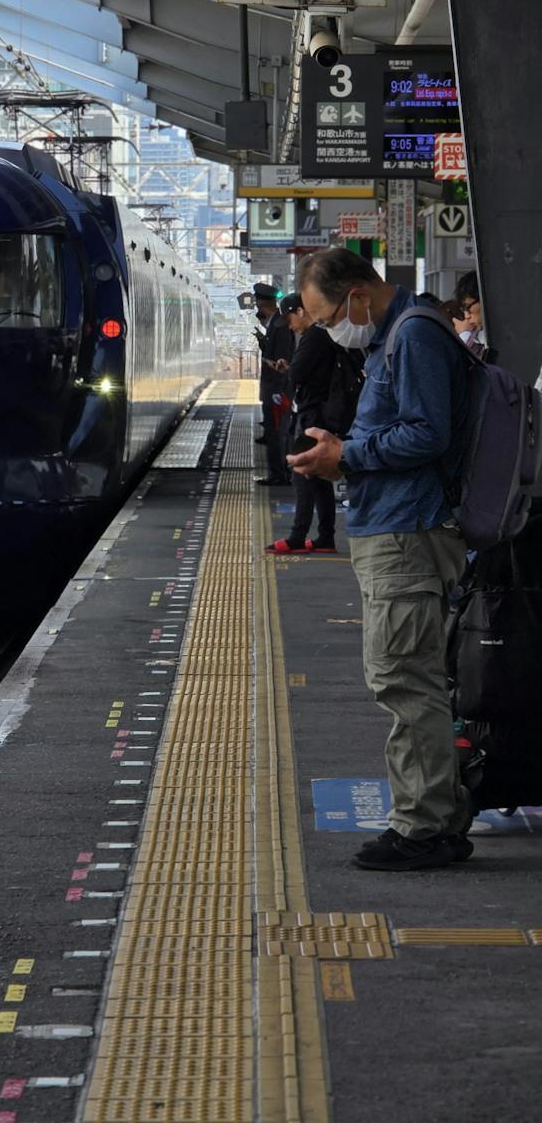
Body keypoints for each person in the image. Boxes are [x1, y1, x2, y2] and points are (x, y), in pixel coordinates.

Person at [290, 246, 472, 872]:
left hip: (407, 530)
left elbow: (427, 432)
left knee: (403, 677)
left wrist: (348, 455)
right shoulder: (395, 336)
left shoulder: (414, 336)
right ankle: (438, 814)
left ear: (359, 296)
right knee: (406, 675)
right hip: (394, 527)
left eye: (326, 316)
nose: (323, 329)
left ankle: (424, 828)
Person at [265, 293, 355, 555]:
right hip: (320, 413)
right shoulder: (321, 334)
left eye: (290, 318)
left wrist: (289, 370)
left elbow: (299, 373)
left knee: (302, 473)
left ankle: (297, 536)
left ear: (301, 311)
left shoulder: (314, 335)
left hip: (312, 416)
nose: (290, 325)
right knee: (317, 479)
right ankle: (325, 537)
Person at [254, 282, 293, 485]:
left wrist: (278, 391)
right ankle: (277, 473)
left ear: (262, 302)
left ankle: (279, 475)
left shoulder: (280, 326)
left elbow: (282, 358)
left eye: (257, 303)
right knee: (274, 431)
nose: (256, 307)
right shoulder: (275, 323)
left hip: (277, 390)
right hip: (274, 389)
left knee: (277, 432)